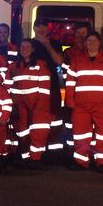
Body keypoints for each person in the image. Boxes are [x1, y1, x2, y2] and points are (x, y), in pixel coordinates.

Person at [65, 32, 103, 173]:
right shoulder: (77, 60)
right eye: (89, 41)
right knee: (80, 135)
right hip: (81, 106)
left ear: (99, 43)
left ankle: (102, 162)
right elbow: (70, 81)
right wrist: (70, 100)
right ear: (85, 43)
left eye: (94, 41)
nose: (92, 43)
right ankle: (81, 161)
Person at [8, 38, 52, 170]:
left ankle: (35, 158)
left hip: (39, 106)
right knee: (22, 132)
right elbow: (7, 86)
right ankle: (26, 158)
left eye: (27, 46)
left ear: (33, 49)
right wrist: (13, 105)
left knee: (38, 132)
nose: (24, 49)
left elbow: (44, 89)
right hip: (20, 106)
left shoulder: (41, 65)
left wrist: (38, 107)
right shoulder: (14, 66)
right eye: (22, 46)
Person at [30, 19, 65, 160]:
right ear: (34, 27)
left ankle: (53, 155)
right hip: (34, 89)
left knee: (54, 120)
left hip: (52, 88)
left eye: (44, 26)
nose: (42, 29)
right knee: (36, 122)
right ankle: (35, 153)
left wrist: (47, 45)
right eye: (39, 26)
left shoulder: (55, 43)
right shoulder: (29, 44)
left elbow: (59, 61)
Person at [60, 22, 91, 149]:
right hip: (72, 96)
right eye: (78, 33)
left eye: (83, 33)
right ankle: (71, 153)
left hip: (89, 96)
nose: (80, 36)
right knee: (70, 125)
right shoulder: (68, 52)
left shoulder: (95, 52)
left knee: (88, 127)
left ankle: (87, 154)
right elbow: (64, 74)